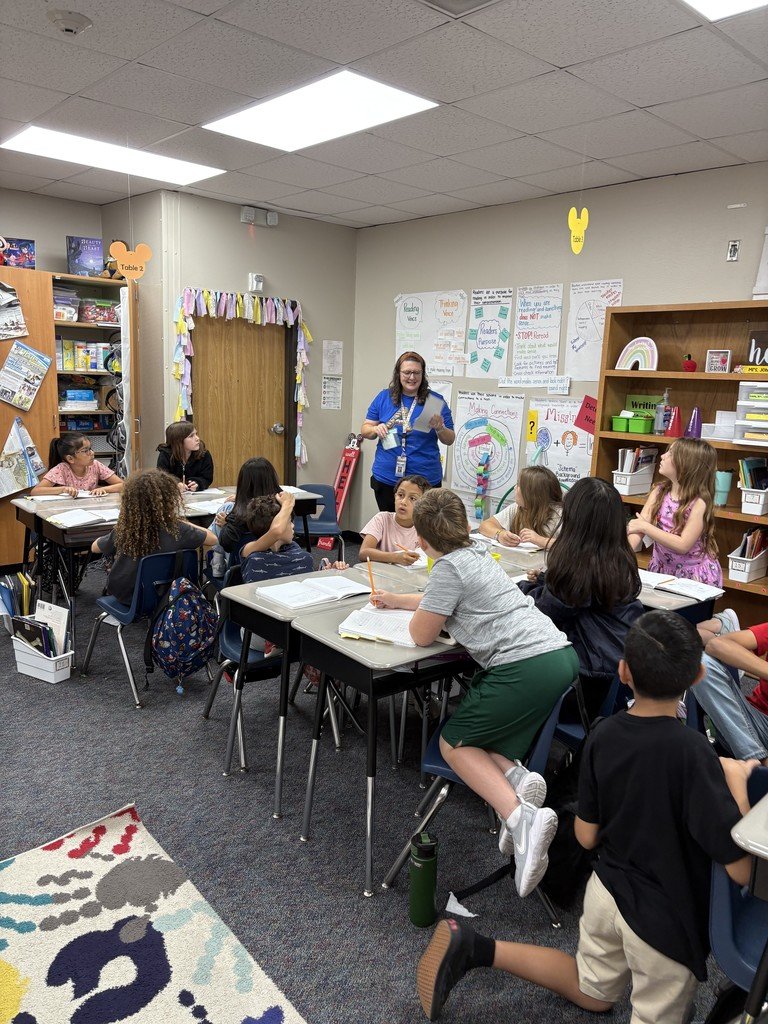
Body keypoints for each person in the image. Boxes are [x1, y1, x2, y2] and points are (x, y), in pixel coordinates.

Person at [415, 610, 756, 1023]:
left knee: (591, 989)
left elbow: (587, 836)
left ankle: (477, 946)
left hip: (605, 894)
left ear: (623, 671)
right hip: (666, 921)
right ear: (698, 677)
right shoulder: (697, 755)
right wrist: (738, 783)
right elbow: (740, 870)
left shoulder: (603, 735)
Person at [371, 488, 578, 897]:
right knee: (488, 739)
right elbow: (445, 600)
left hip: (525, 666)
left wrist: (412, 611)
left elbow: (422, 634)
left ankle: (521, 818)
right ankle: (517, 778)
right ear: (463, 526)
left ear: (423, 541)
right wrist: (399, 599)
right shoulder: (478, 555)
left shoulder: (446, 569)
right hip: (557, 656)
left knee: (454, 742)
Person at [520, 477, 643, 717]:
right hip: (617, 680)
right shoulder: (619, 558)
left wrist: (525, 588)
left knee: (501, 671)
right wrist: (547, 581)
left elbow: (543, 612)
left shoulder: (577, 565)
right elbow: (575, 597)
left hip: (582, 689)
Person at [91, 469, 216, 606]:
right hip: (171, 595)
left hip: (128, 596)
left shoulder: (125, 529)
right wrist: (179, 521)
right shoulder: (179, 529)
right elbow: (213, 539)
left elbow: (95, 548)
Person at [361, 351, 454, 513]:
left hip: (425, 480)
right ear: (398, 374)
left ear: (423, 374)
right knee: (390, 528)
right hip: (387, 478)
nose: (412, 377)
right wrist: (375, 429)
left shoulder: (434, 401)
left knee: (422, 530)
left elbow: (450, 439)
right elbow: (365, 429)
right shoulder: (384, 397)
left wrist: (440, 428)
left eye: (417, 373)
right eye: (407, 372)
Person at [627, 438, 722, 585]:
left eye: (670, 454)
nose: (662, 456)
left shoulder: (699, 502)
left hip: (692, 576)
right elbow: (638, 527)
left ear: (686, 465)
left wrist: (645, 527)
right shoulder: (659, 491)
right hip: (662, 570)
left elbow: (683, 545)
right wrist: (623, 555)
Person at [694, 609, 768, 763]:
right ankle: (758, 762)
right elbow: (716, 645)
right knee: (701, 664)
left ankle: (755, 769)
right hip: (750, 724)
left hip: (746, 734)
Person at [478, 466, 562, 549]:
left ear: (531, 494)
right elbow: (485, 525)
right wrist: (500, 534)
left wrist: (540, 540)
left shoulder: (559, 514)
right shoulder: (517, 508)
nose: (515, 488)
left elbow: (571, 547)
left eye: (518, 485)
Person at [359, 474, 431, 565]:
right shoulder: (382, 519)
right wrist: (395, 557)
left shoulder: (424, 527)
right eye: (400, 495)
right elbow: (363, 553)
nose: (403, 502)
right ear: (394, 497)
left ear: (424, 505)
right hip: (380, 574)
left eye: (412, 498)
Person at [31, 434, 124, 496]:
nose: (92, 453)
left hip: (90, 509)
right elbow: (36, 491)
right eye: (85, 451)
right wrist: (63, 489)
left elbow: (122, 485)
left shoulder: (96, 465)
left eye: (90, 449)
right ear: (70, 459)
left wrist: (104, 489)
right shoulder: (62, 469)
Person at [156, 422, 213, 492]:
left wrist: (198, 484)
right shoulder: (165, 454)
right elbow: (162, 478)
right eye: (191, 436)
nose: (197, 438)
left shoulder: (204, 454)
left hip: (196, 497)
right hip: (173, 496)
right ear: (179, 441)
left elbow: (207, 478)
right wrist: (175, 484)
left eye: (196, 434)